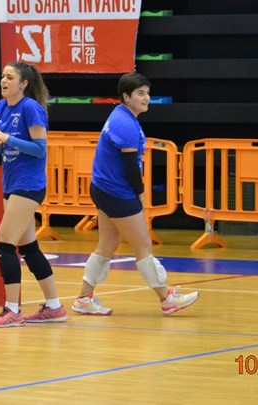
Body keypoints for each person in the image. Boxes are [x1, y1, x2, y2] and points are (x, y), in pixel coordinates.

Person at [72, 72, 198, 317]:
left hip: (104, 189)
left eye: (147, 93)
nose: (146, 98)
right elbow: (130, 166)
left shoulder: (121, 116)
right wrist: (140, 194)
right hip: (116, 192)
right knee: (143, 245)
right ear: (126, 97)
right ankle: (167, 299)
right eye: (140, 93)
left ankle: (84, 299)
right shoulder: (125, 124)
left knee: (107, 245)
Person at [0, 61, 67, 328]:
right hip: (11, 183)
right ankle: (54, 307)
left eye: (10, 77)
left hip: (29, 184)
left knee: (5, 243)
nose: (3, 81)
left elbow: (40, 149)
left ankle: (13, 311)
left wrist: (7, 138)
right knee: (28, 247)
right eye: (2, 76)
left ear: (24, 83)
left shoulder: (31, 108)